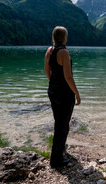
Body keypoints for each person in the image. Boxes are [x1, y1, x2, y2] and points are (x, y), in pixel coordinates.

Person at [44, 26, 81, 168]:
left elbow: (46, 70)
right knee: (63, 126)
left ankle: (59, 152)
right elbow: (68, 76)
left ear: (54, 37)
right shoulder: (64, 52)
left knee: (58, 122)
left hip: (52, 91)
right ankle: (56, 160)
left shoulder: (50, 50)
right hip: (65, 94)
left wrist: (54, 83)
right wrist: (77, 94)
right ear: (64, 37)